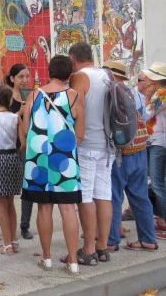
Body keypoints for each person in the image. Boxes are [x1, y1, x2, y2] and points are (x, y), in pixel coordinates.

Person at [21, 55, 84, 275]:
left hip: (38, 158)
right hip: (64, 158)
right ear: (69, 75)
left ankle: (46, 258)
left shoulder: (35, 95)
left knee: (43, 208)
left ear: (49, 71)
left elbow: (26, 127)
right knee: (68, 209)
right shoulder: (74, 96)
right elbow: (81, 134)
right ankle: (73, 262)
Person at [65, 42, 114, 266]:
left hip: (87, 145)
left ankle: (88, 248)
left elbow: (74, 109)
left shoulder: (80, 77)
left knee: (85, 197)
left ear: (73, 58)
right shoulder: (107, 75)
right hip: (108, 144)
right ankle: (103, 246)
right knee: (103, 195)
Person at [103, 60, 158, 252]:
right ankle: (148, 239)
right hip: (140, 149)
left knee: (114, 197)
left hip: (121, 152)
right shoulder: (136, 94)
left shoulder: (110, 92)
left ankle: (111, 240)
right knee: (140, 196)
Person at [4, 64, 34, 240]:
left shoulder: (32, 95)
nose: (24, 80)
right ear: (12, 78)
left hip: (27, 146)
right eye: (21, 76)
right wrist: (18, 112)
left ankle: (25, 225)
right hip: (9, 146)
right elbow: (1, 118)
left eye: (27, 76)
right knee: (4, 189)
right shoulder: (5, 96)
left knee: (27, 186)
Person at [0, 85, 25, 255]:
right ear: (11, 100)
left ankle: (6, 244)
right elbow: (24, 143)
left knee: (0, 203)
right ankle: (13, 240)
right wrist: (17, 155)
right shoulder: (15, 118)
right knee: (11, 202)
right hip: (13, 158)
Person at [141, 62, 166, 241]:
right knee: (157, 182)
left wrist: (147, 98)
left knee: (157, 183)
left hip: (159, 143)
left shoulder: (161, 96)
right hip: (155, 141)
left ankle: (164, 220)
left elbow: (146, 114)